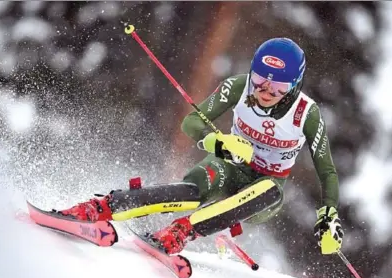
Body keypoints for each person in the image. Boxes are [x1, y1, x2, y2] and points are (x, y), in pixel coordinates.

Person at [59, 38, 344, 256]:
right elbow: (191, 123)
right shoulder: (238, 87)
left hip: (265, 188)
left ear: (295, 86)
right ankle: (101, 207)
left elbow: (327, 171)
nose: (266, 92)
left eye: (279, 87)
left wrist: (328, 214)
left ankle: (180, 232)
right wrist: (218, 142)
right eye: (259, 81)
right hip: (230, 166)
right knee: (193, 192)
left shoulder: (307, 113)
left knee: (268, 191)